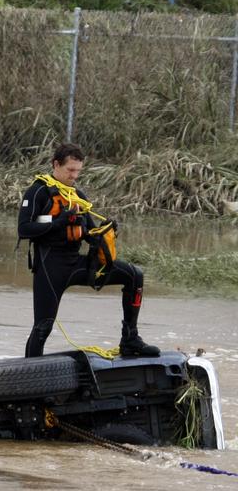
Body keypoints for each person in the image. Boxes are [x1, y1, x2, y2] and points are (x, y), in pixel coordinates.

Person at [18, 142, 159, 358]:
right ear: (56, 164)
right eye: (70, 170)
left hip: (76, 264)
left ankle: (130, 340)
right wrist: (59, 221)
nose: (74, 176)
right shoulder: (38, 192)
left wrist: (105, 232)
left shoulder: (78, 196)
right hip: (50, 268)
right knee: (43, 327)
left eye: (78, 171)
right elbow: (24, 228)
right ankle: (30, 373)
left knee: (134, 275)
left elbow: (91, 232)